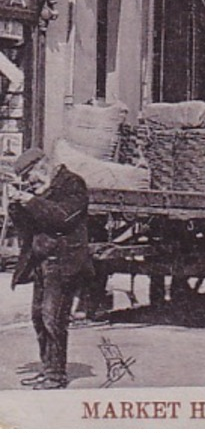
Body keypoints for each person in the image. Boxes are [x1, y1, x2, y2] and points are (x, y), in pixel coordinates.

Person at [8, 148, 91, 390]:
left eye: (31, 175)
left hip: (66, 261)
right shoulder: (41, 191)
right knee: (38, 317)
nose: (30, 182)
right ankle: (47, 370)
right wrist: (16, 205)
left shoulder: (73, 184)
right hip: (43, 261)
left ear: (43, 166)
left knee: (53, 318)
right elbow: (26, 227)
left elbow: (63, 218)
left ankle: (56, 375)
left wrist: (33, 201)